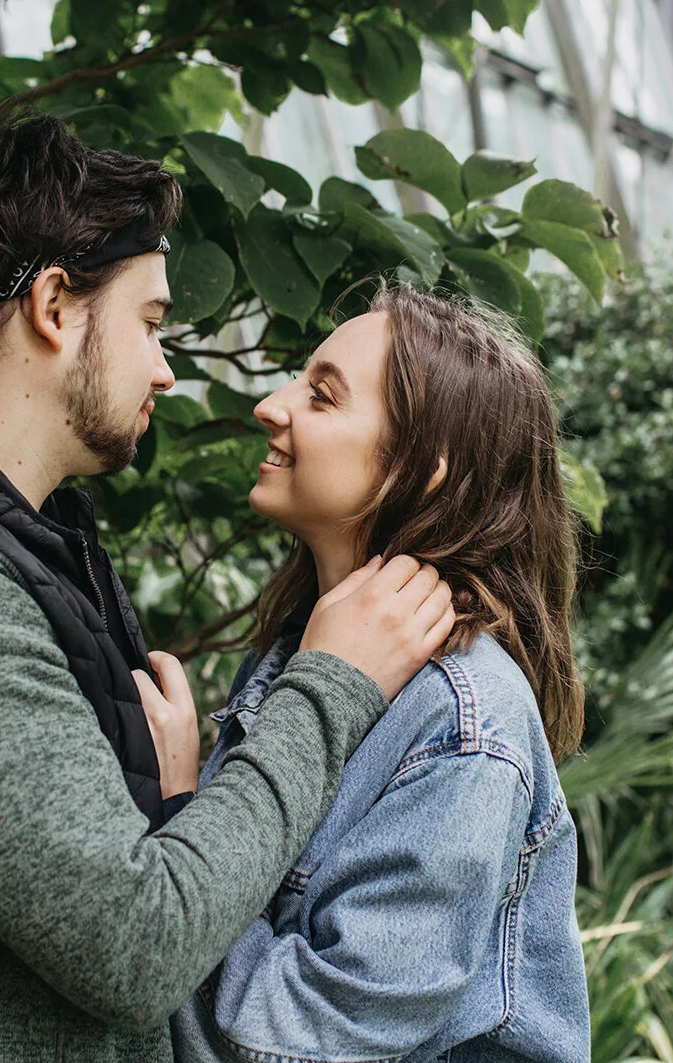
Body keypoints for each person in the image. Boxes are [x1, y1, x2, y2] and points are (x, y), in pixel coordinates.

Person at [0, 114, 455, 1063]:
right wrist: (328, 685)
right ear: (52, 306)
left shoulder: (13, 543)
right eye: (151, 324)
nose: (164, 369)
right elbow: (137, 948)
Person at [161, 283, 593, 1063]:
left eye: (321, 397)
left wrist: (177, 815)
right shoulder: (299, 652)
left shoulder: (464, 724)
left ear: (420, 474)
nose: (271, 405)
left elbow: (303, 1038)